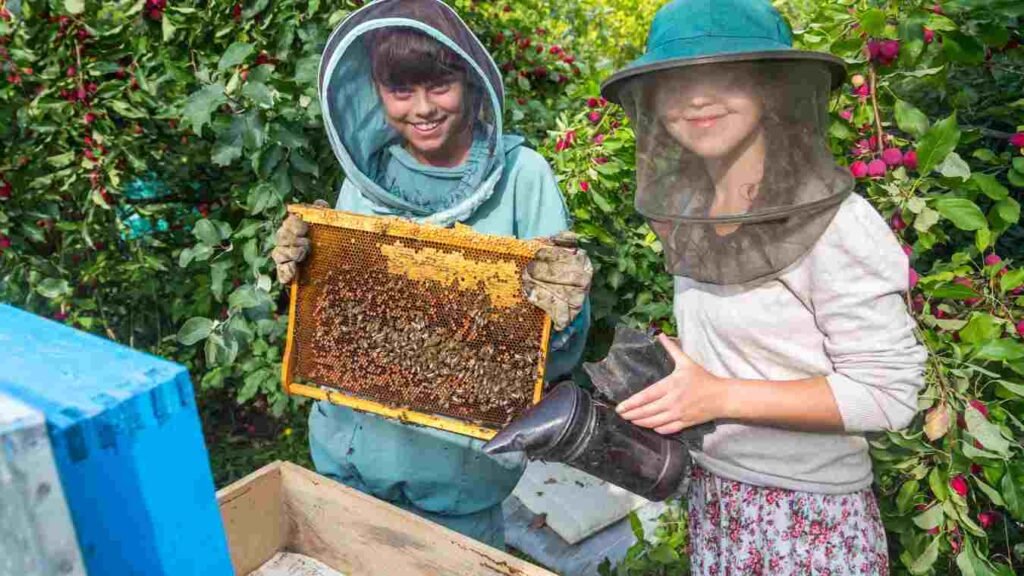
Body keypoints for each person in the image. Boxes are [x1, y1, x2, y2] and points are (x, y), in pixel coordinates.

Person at [600, 0, 927, 573]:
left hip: (807, 522)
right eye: (678, 81)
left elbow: (889, 394)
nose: (697, 98)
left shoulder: (841, 224)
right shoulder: (694, 213)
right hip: (717, 501)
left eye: (724, 75)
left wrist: (718, 395)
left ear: (772, 89)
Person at [270, 0, 591, 549]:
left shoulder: (523, 178)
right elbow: (333, 321)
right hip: (348, 463)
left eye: (438, 86)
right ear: (375, 91)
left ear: (469, 83)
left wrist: (560, 308)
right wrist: (305, 273)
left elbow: (555, 348)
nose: (421, 108)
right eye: (400, 90)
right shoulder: (367, 179)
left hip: (457, 484)